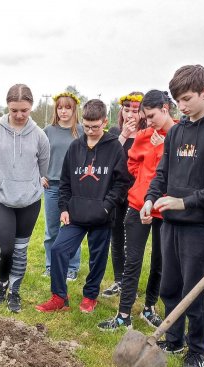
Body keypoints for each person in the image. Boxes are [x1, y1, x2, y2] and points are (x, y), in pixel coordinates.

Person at [141, 65, 204, 367]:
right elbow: (162, 173)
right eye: (177, 101)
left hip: (198, 225)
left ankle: (196, 351)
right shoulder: (178, 131)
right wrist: (149, 199)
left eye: (186, 99)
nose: (181, 106)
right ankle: (174, 339)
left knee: (194, 291)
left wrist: (186, 202)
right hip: (169, 223)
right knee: (169, 286)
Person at [36, 99, 130, 314]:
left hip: (101, 216)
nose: (90, 131)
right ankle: (59, 297)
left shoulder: (114, 147)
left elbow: (122, 182)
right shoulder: (75, 146)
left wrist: (106, 206)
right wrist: (64, 209)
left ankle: (90, 296)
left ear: (105, 121)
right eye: (86, 126)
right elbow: (66, 181)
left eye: (95, 127)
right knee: (59, 249)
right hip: (75, 214)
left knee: (98, 257)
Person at [99, 90, 175, 331]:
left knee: (159, 262)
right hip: (139, 205)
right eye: (146, 117)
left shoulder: (179, 135)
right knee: (133, 260)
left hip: (166, 208)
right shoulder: (143, 136)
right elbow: (131, 164)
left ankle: (149, 308)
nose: (148, 122)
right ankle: (123, 315)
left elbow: (178, 168)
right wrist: (142, 183)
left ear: (165, 109)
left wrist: (163, 146)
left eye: (151, 116)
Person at [0, 83, 49, 313]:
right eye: (14, 110)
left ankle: (15, 291)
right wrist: (0, 184)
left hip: (29, 202)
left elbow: (43, 168)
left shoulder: (40, 136)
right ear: (8, 107)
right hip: (0, 200)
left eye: (24, 110)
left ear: (31, 108)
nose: (19, 115)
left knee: (21, 250)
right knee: (6, 249)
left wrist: (29, 185)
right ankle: (2, 282)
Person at [101, 92, 144, 297]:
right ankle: (119, 280)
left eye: (135, 111)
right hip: (117, 192)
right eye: (127, 110)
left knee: (133, 241)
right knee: (116, 238)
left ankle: (130, 284)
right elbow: (108, 158)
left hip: (138, 194)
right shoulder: (115, 132)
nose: (130, 115)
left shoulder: (148, 133)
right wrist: (123, 136)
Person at [42, 92, 84, 281]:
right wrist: (39, 174)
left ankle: (72, 267)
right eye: (60, 107)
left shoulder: (82, 131)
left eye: (68, 107)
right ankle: (50, 266)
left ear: (75, 110)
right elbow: (37, 155)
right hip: (52, 186)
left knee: (71, 228)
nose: (63, 111)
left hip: (76, 188)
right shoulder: (48, 131)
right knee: (52, 229)